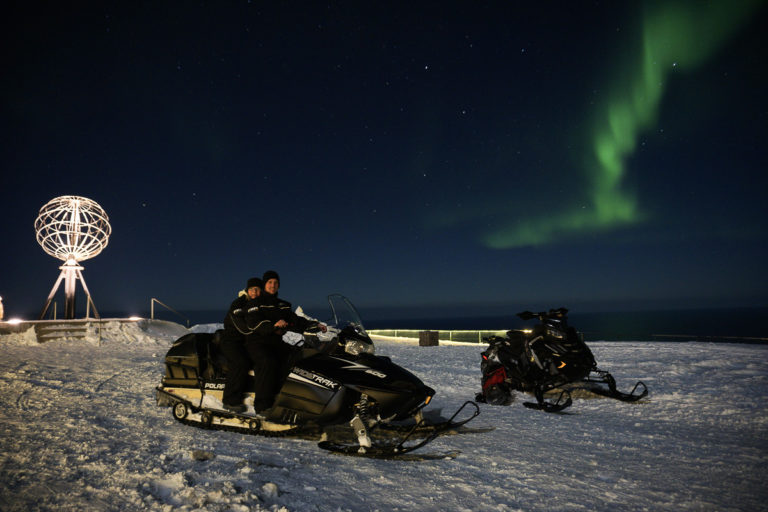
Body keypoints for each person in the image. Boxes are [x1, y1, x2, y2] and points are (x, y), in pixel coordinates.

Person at [246, 270, 325, 410]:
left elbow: (294, 320)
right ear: (264, 284)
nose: (273, 285)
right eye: (270, 282)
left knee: (297, 356)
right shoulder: (255, 303)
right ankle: (262, 405)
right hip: (257, 342)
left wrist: (314, 325)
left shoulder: (282, 304)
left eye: (276, 282)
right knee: (267, 362)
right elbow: (254, 322)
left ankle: (286, 395)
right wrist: (273, 326)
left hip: (275, 342)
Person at [219, 277, 264, 413]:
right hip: (231, 341)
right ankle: (230, 400)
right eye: (252, 289)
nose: (254, 292)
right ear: (247, 290)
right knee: (240, 363)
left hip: (245, 341)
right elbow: (244, 328)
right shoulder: (239, 304)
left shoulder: (259, 305)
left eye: (257, 289)